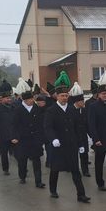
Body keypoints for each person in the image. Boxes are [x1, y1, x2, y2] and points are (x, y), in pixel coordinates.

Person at [44, 71, 90, 203]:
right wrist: (53, 139)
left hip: (71, 145)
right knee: (55, 169)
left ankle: (81, 194)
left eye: (66, 95)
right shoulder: (51, 111)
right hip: (57, 146)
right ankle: (53, 190)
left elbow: (78, 129)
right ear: (57, 96)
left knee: (76, 171)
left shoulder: (72, 110)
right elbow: (48, 127)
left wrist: (81, 144)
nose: (64, 98)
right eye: (62, 96)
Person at [12, 81, 45, 187]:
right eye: (30, 99)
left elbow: (41, 124)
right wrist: (15, 137)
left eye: (32, 99)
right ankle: (22, 176)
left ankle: (38, 181)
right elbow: (14, 125)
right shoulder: (18, 110)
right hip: (23, 139)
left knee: (37, 161)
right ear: (25, 100)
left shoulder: (37, 109)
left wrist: (41, 137)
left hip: (35, 139)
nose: (32, 101)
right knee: (22, 160)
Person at [69, 82, 91, 177]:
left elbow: (87, 124)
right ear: (77, 102)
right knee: (73, 155)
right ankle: (73, 169)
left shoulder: (85, 110)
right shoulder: (70, 111)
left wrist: (92, 136)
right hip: (73, 137)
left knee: (84, 154)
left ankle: (85, 170)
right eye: (82, 101)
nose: (83, 103)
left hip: (83, 136)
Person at [0, 93, 16, 176]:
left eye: (10, 98)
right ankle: (5, 169)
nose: (9, 100)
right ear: (2, 99)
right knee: (4, 153)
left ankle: (23, 169)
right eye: (7, 98)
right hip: (3, 134)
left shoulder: (13, 108)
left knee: (18, 153)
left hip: (13, 134)